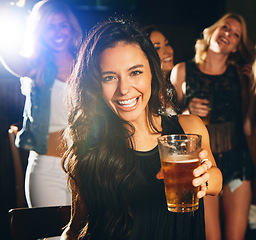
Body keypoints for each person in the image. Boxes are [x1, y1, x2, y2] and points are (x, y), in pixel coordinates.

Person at [60, 18, 222, 240]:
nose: (124, 89)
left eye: (135, 72)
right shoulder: (91, 145)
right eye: (109, 77)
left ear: (152, 73)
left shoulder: (189, 128)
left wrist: (202, 179)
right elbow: (77, 226)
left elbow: (216, 181)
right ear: (96, 85)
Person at [171, 13, 255, 240]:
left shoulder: (240, 76)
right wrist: (188, 112)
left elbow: (247, 124)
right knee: (210, 236)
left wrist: (252, 84)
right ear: (213, 31)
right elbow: (170, 123)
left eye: (236, 34)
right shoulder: (181, 71)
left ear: (237, 46)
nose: (228, 34)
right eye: (225, 27)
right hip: (203, 163)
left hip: (238, 163)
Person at [0, 0, 82, 209]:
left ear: (71, 28)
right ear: (39, 31)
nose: (57, 32)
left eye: (62, 25)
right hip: (47, 169)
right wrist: (9, 8)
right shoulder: (35, 66)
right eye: (49, 26)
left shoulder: (86, 64)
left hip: (86, 168)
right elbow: (6, 51)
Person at [143, 25, 179, 115]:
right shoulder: (144, 93)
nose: (167, 51)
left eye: (166, 44)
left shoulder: (174, 86)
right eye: (157, 48)